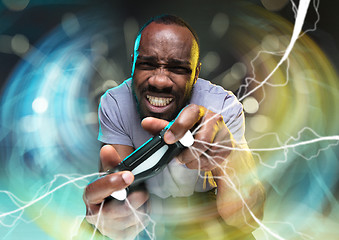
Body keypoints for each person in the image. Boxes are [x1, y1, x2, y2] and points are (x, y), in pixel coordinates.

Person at [79, 14, 265, 240]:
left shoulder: (223, 104)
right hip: (149, 216)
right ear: (134, 66)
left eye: (177, 69)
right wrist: (113, 217)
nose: (159, 81)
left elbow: (247, 218)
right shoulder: (115, 102)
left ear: (196, 74)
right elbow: (124, 194)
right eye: (147, 64)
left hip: (207, 211)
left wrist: (228, 160)